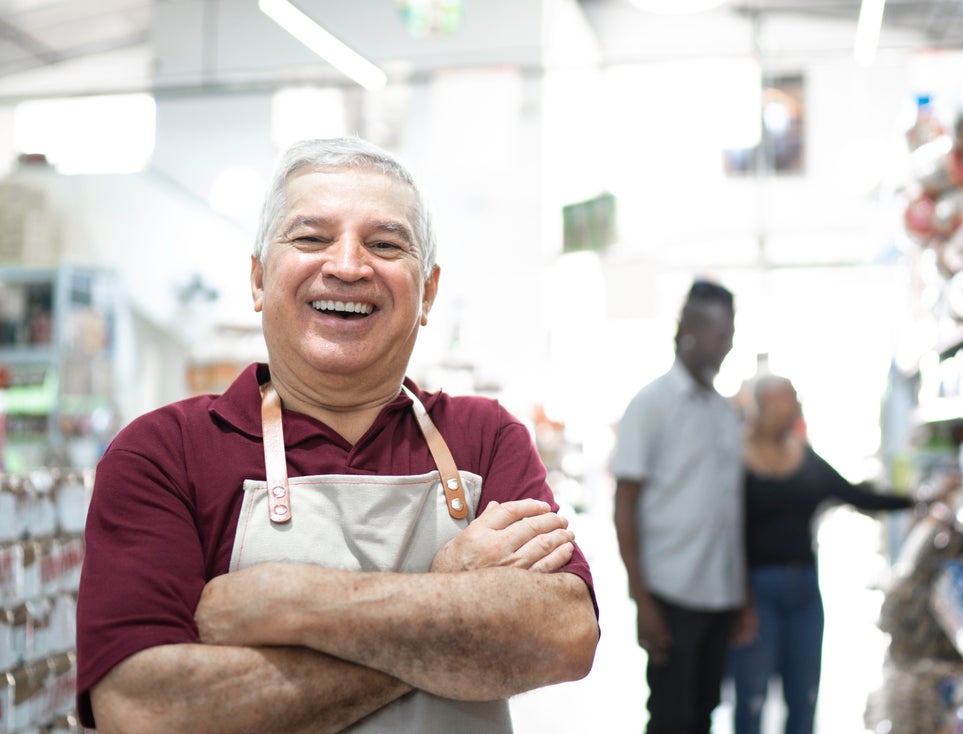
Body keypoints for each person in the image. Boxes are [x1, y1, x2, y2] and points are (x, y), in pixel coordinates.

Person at [75, 136, 600, 733]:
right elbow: (146, 712)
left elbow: (564, 634)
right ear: (258, 279)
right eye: (310, 238)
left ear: (426, 292)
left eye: (384, 243)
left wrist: (288, 600)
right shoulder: (164, 453)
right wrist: (450, 600)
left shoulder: (485, 437)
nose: (348, 266)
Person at [725, 374, 914, 734]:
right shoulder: (734, 461)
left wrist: (918, 499)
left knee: (804, 695)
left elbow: (858, 497)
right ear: (760, 407)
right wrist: (740, 600)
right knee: (751, 696)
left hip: (805, 592)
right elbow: (725, 535)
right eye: (784, 399)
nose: (793, 406)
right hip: (756, 592)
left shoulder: (805, 458)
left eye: (794, 399)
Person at [612, 279, 748, 734]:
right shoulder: (651, 405)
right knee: (671, 717)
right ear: (688, 329)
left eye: (730, 333)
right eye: (719, 332)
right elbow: (624, 505)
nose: (727, 343)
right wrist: (641, 600)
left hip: (720, 595)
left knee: (706, 710)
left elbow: (732, 513)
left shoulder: (723, 412)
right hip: (671, 595)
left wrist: (742, 597)